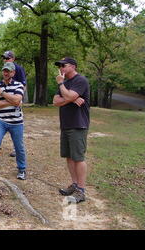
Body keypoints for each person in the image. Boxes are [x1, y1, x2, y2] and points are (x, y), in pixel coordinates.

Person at [53, 57, 90, 204]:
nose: (61, 67)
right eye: (59, 65)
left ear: (73, 66)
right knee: (69, 156)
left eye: (64, 65)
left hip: (78, 124)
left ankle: (81, 191)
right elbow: (56, 101)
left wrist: (63, 87)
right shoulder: (66, 83)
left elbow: (65, 95)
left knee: (78, 158)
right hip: (66, 124)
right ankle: (74, 185)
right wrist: (72, 98)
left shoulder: (80, 81)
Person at [0, 62, 27, 180]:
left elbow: (18, 100)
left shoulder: (19, 85)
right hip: (1, 121)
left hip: (17, 122)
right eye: (4, 70)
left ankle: (22, 170)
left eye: (8, 71)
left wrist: (2, 93)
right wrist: (12, 101)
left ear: (13, 72)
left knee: (19, 147)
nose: (6, 73)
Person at [1, 50, 27, 157]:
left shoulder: (19, 69)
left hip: (15, 100)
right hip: (4, 100)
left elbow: (23, 84)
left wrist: (19, 99)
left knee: (16, 127)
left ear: (13, 59)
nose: (5, 60)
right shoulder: (4, 70)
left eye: (7, 58)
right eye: (4, 58)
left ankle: (17, 149)